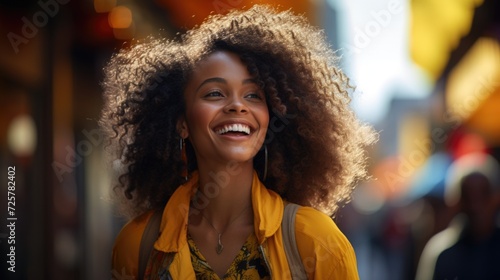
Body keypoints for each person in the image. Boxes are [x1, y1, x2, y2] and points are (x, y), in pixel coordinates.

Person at [101, 5, 376, 280]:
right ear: (182, 122)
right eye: (215, 93)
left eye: (253, 95)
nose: (237, 105)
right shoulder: (137, 245)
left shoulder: (317, 240)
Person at [415, 153, 500, 280]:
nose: (475, 206)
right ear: (454, 201)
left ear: (495, 198)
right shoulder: (441, 253)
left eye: (483, 194)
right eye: (467, 196)